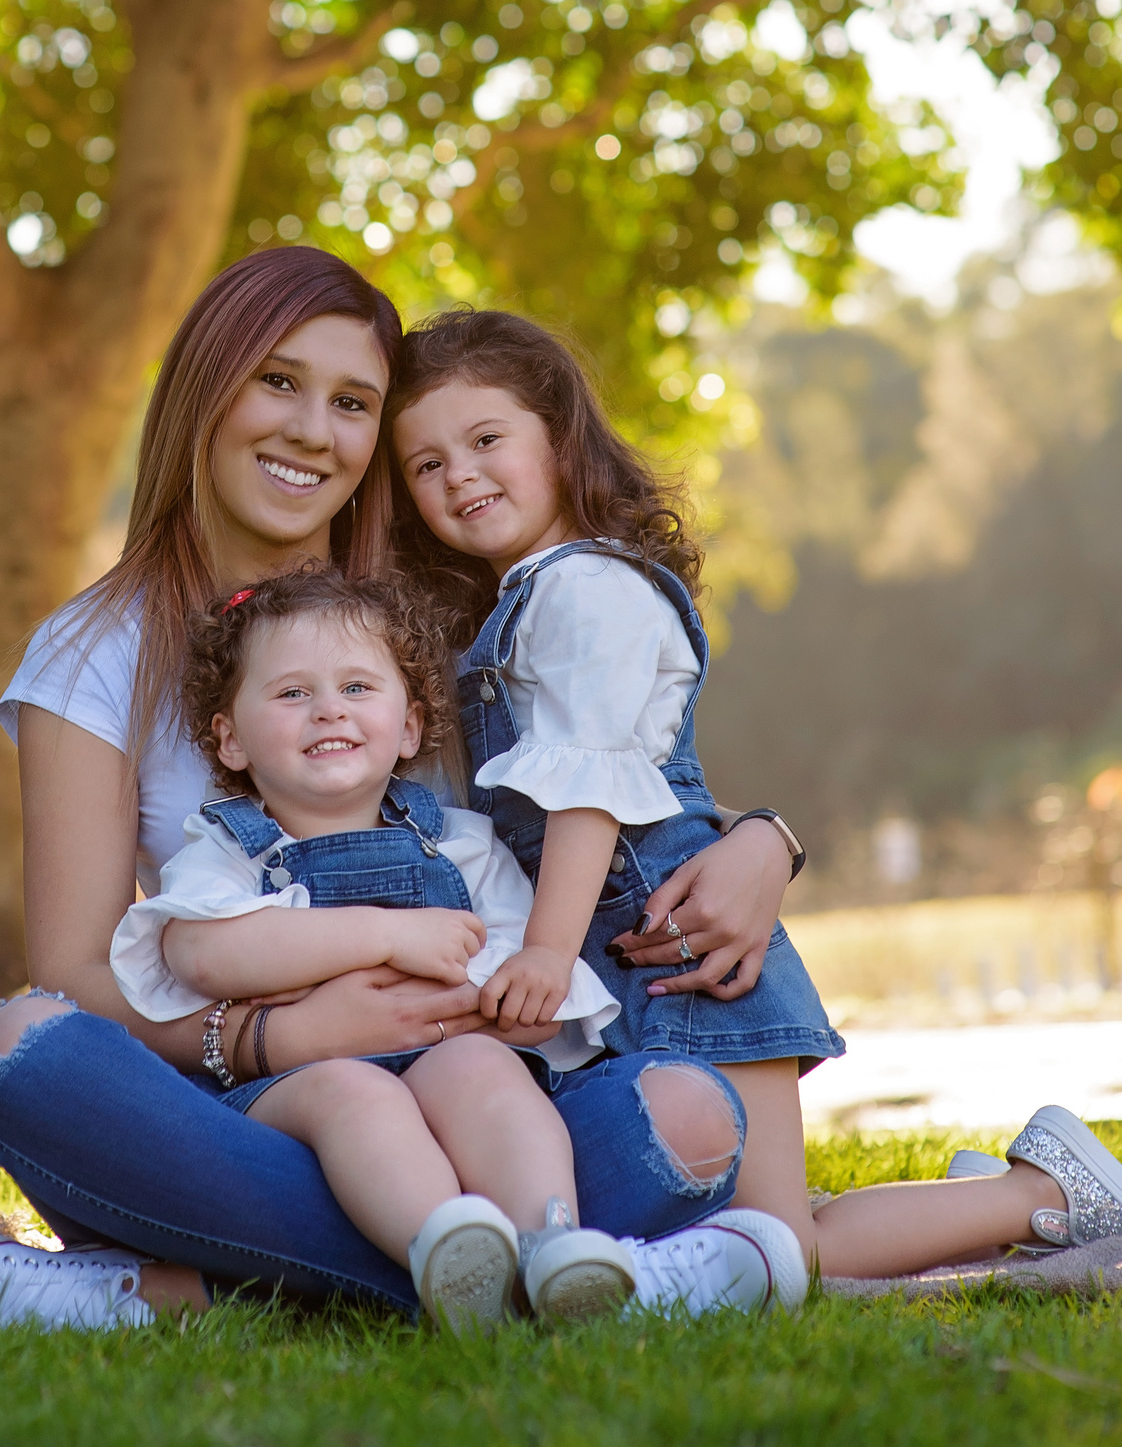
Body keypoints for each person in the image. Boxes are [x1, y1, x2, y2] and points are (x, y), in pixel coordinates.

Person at [0, 249, 807, 1332]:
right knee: (21, 1048)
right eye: (277, 381)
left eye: (352, 403)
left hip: (484, 1089)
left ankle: (193, 1284)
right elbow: (78, 976)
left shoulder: (439, 611)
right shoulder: (96, 651)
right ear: (205, 389)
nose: (310, 431)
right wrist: (278, 1038)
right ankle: (522, 1264)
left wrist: (764, 841)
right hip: (260, 1116)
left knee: (685, 1116)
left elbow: (602, 779)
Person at [386, 306, 1122, 1279]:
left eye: (486, 440)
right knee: (746, 1237)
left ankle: (1043, 1191)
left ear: (559, 438)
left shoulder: (584, 590)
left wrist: (547, 955)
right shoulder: (514, 609)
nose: (460, 475)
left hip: (697, 966)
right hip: (630, 960)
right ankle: (983, 1206)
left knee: (784, 1251)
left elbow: (590, 791)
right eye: (426, 464)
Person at [113, 567, 653, 1329]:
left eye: (358, 688)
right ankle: (445, 1250)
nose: (328, 708)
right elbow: (202, 953)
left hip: (446, 1059)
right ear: (230, 739)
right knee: (355, 1093)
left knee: (485, 1068)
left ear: (409, 727)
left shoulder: (459, 843)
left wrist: (514, 993)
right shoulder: (230, 851)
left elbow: (519, 983)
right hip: (298, 1087)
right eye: (291, 693)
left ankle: (550, 1242)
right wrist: (392, 935)